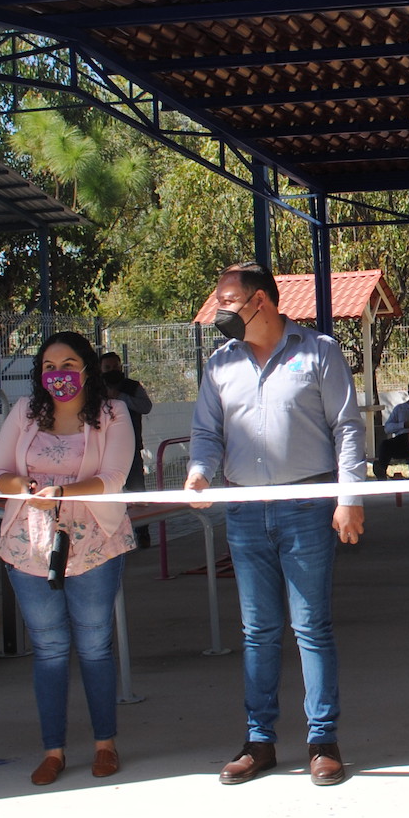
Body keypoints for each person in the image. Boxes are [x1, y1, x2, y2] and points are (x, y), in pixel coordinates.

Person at [186, 263, 366, 786]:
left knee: (310, 626)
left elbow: (347, 428)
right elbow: (207, 432)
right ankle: (258, 741)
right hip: (245, 510)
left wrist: (349, 497)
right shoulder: (221, 364)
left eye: (227, 301)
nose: (219, 311)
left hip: (307, 507)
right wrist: (199, 473)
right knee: (258, 631)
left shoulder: (319, 352)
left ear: (260, 301)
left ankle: (322, 741)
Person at [0, 332, 136, 786]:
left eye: (69, 364)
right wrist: (23, 489)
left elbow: (113, 477)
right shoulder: (24, 412)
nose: (58, 375)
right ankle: (52, 751)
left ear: (87, 368)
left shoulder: (113, 413)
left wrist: (63, 492)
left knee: (94, 646)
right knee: (49, 650)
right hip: (29, 545)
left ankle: (105, 744)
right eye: (49, 367)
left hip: (93, 543)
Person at [98, 351, 153, 492]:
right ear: (100, 369)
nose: (112, 370)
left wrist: (120, 397)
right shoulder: (95, 389)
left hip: (131, 446)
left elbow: (146, 407)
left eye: (116, 367)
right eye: (107, 368)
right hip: (102, 448)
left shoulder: (132, 387)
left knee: (136, 489)